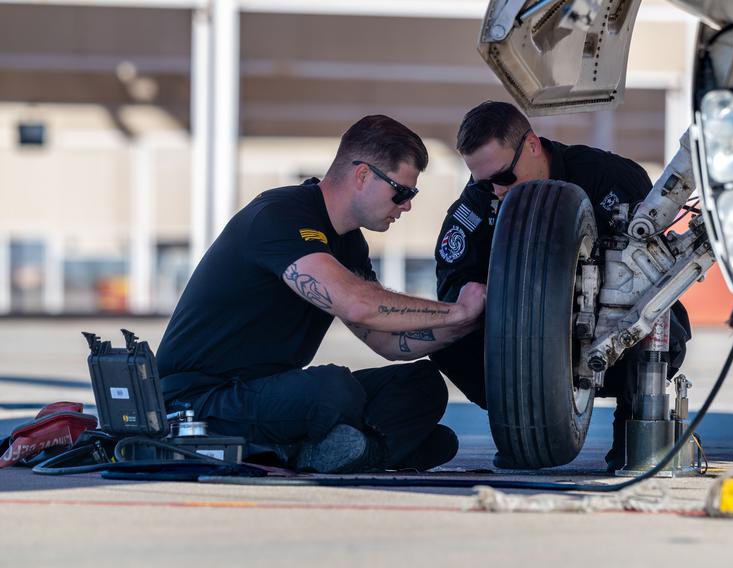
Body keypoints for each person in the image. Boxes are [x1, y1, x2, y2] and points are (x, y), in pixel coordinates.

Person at [156, 115, 486, 474]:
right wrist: (455, 312)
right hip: (200, 400)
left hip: (269, 394)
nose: (406, 205)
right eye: (402, 192)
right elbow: (358, 303)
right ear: (363, 175)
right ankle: (339, 450)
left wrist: (473, 321)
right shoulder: (279, 215)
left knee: (423, 386)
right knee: (332, 389)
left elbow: (386, 342)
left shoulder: (348, 243)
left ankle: (332, 450)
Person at [430, 101, 690, 471]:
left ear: (532, 145)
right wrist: (500, 302)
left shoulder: (609, 178)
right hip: (521, 340)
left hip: (607, 333)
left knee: (657, 321)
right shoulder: (479, 203)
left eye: (504, 177)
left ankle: (635, 430)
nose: (497, 191)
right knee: (447, 338)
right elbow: (453, 283)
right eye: (483, 182)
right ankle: (518, 423)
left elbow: (650, 270)